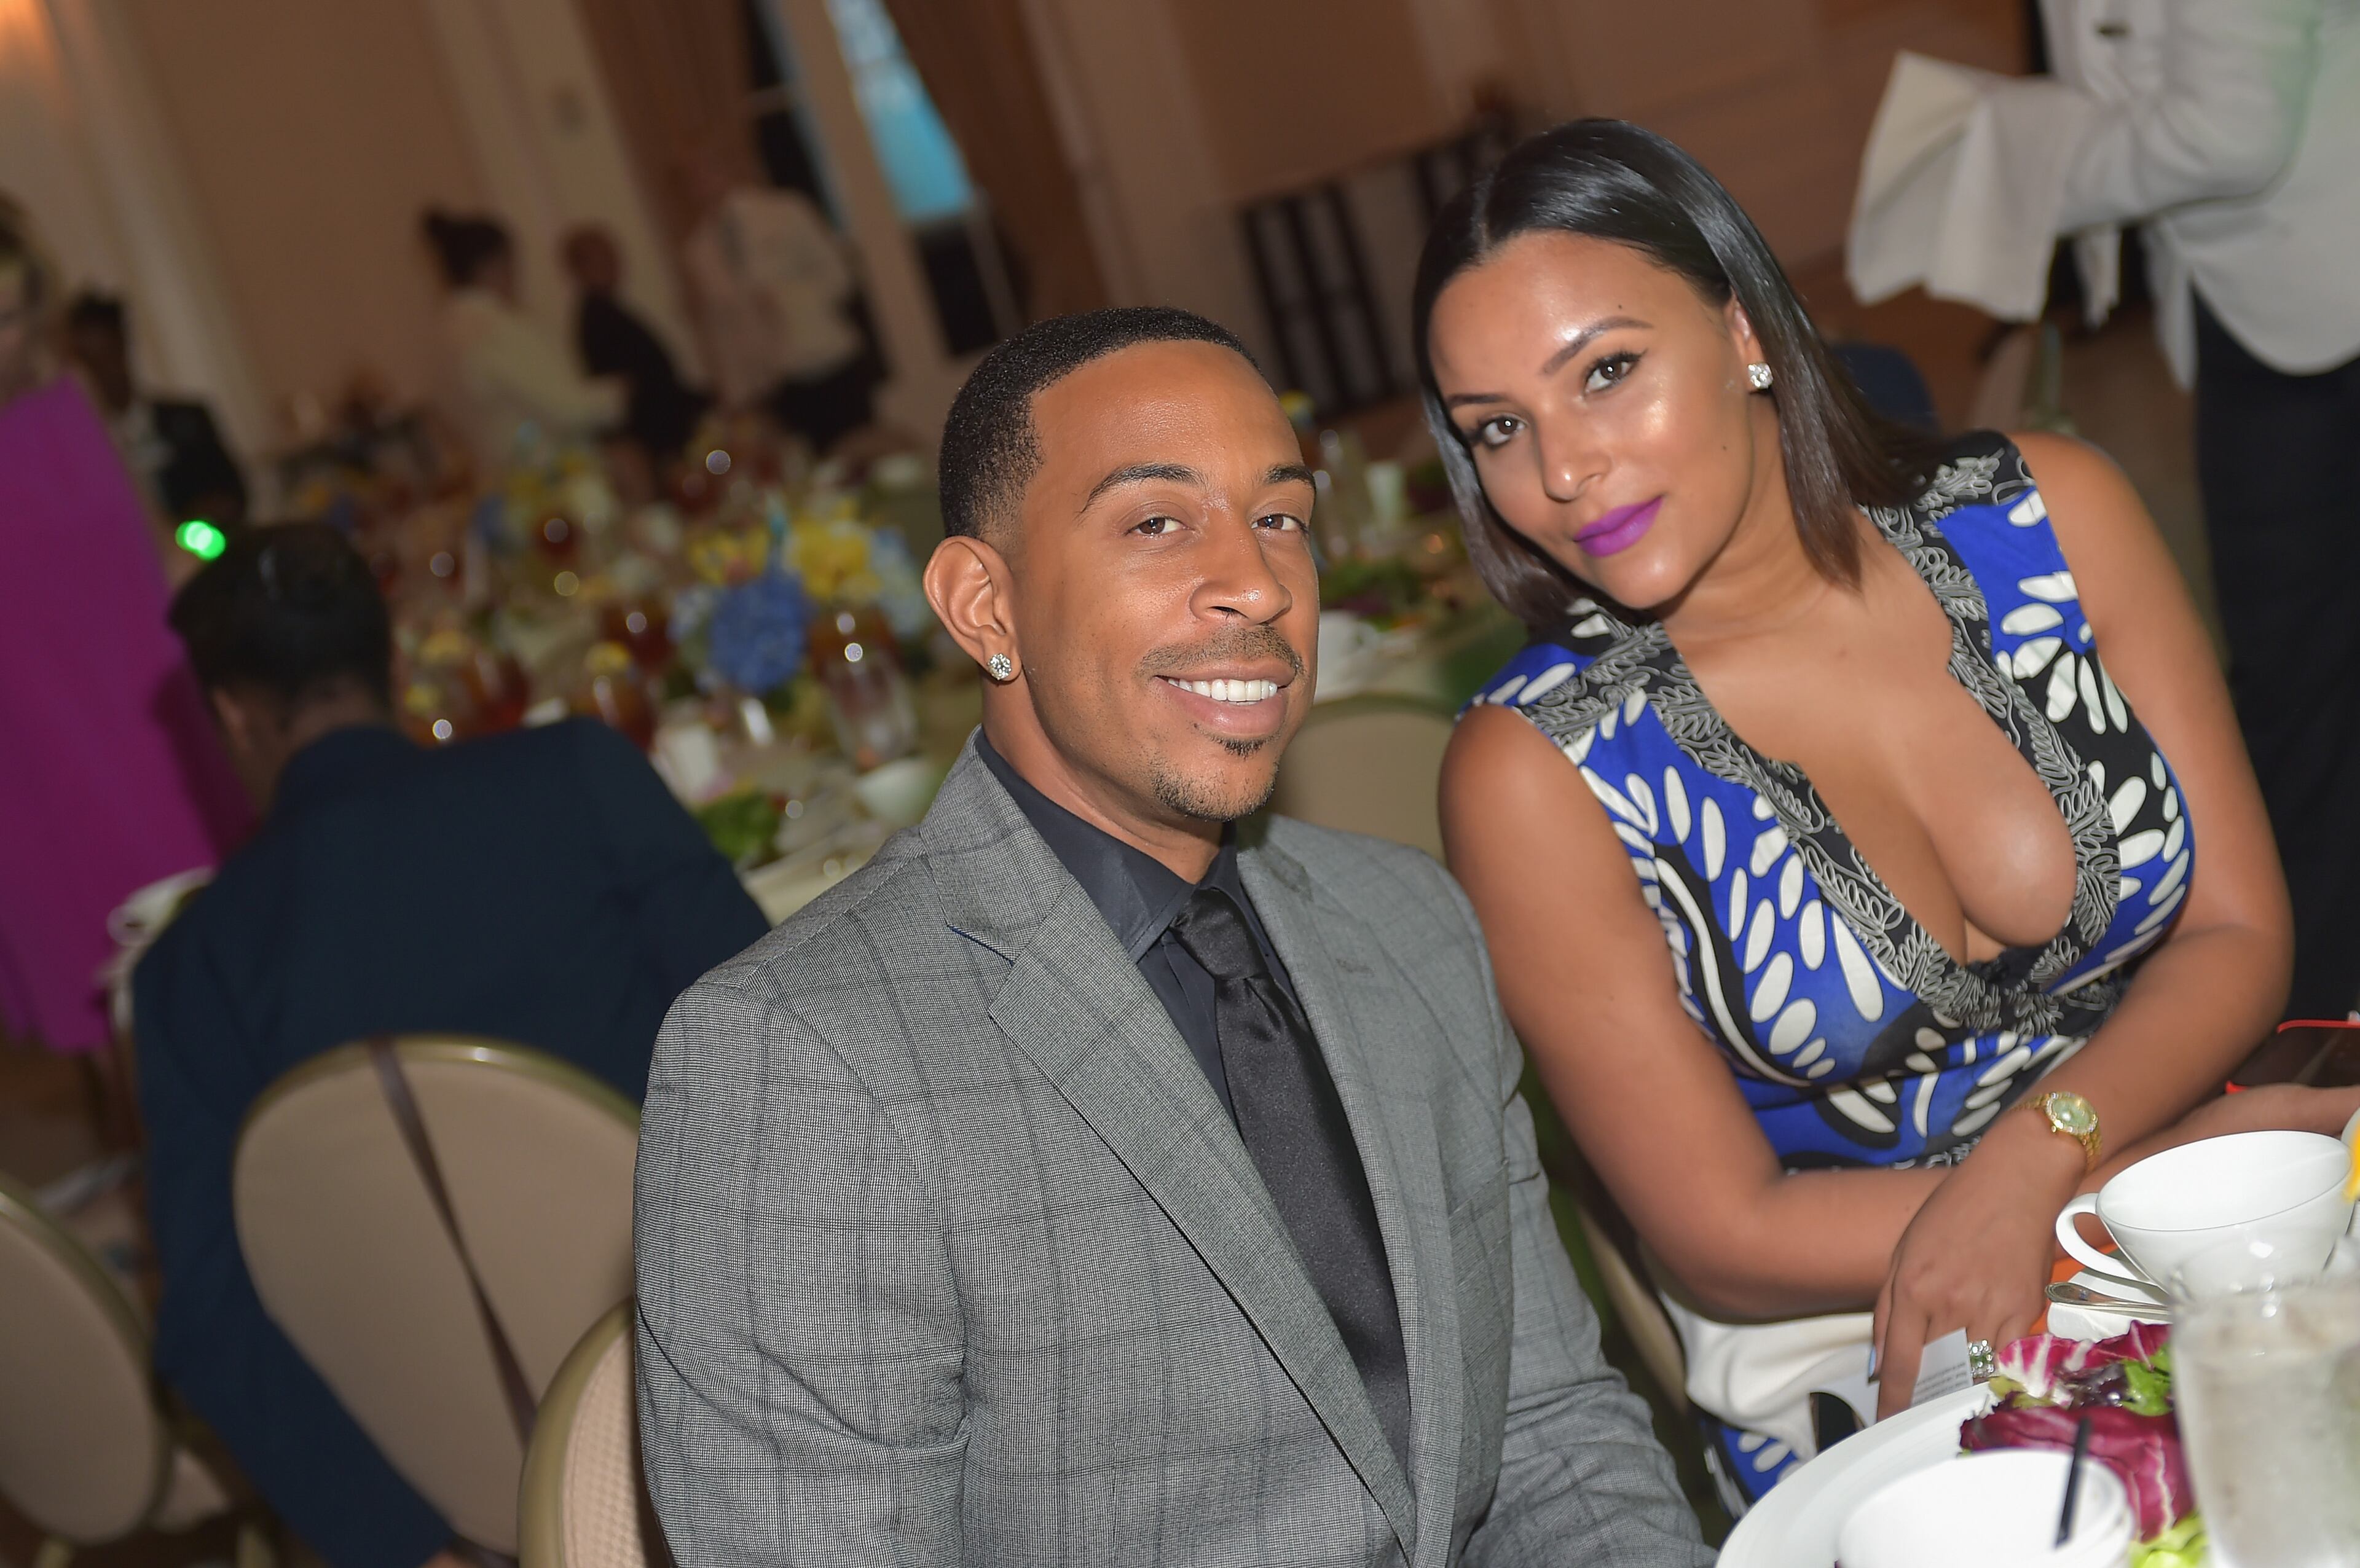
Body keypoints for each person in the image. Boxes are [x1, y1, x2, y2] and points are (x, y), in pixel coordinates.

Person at [634, 306, 1714, 1566]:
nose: (1261, 582)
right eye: (1156, 522)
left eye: (1281, 517)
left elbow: (1551, 1435)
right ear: (985, 606)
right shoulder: (799, 1067)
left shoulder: (1407, 924)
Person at [1420, 120, 2360, 1510]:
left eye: (1606, 372)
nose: (1562, 470)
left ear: (1742, 329)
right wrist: (2128, 1188)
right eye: (1498, 427)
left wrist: (2052, 1160)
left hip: (2205, 1198)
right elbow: (1723, 1229)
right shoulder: (1536, 768)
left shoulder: (2047, 516)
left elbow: (2234, 928)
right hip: (1880, 1343)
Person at [135, 523, 767, 1568]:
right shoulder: (577, 773)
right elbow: (781, 1056)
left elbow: (209, 1318)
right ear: (391, 663)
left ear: (234, 714)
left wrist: (407, 1545)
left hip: (471, 1491)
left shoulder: (189, 971)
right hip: (746, 1391)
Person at [1851, 1, 2360, 1020]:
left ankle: (2309, 1009)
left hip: (2325, 289)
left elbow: (2231, 132)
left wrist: (2015, 154)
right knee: (2307, 672)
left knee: (2295, 676)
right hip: (2268, 294)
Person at [0, 195, 248, 1059]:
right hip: (40, 747)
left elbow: (158, 547)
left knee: (231, 949)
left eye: (16, 316)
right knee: (119, 996)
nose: (7, 340)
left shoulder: (68, 406)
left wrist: (227, 592)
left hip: (151, 709)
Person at [676, 147, 876, 453]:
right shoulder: (698, 252)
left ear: (727, 169)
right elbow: (721, 332)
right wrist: (737, 395)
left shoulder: (785, 211)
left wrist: (789, 298)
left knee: (864, 451)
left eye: (706, 170)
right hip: (774, 380)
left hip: (826, 356)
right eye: (691, 178)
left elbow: (839, 277)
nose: (701, 182)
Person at [421, 208, 623, 469]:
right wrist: (619, 394)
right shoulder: (496, 329)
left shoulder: (444, 338)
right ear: (493, 265)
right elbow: (567, 408)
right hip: (551, 471)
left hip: (505, 474)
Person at [63, 289, 248, 527]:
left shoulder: (188, 421)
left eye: (106, 354)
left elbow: (234, 495)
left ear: (123, 347)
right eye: (88, 363)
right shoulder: (77, 447)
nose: (101, 372)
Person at [560, 224, 708, 467]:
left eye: (613, 254)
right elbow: (638, 388)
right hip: (661, 437)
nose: (614, 263)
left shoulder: (606, 311)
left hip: (668, 428)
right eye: (602, 258)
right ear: (580, 269)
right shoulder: (599, 319)